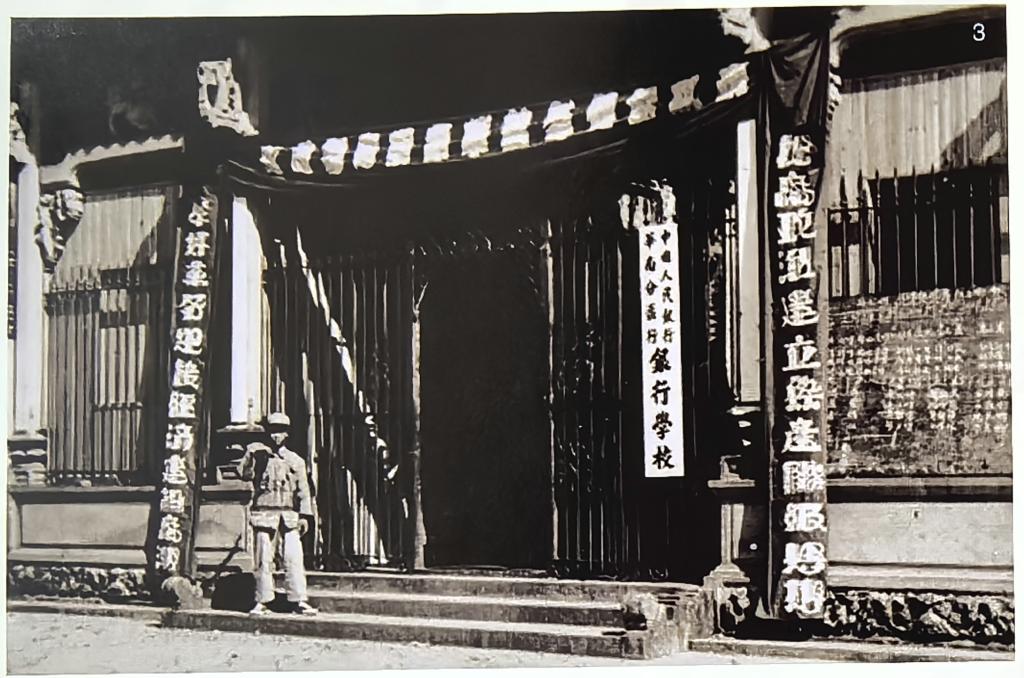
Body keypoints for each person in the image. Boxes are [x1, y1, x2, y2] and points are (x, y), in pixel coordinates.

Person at [239, 412, 317, 615]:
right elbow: (244, 474)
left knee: (293, 558)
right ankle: (262, 600)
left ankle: (298, 599)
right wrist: (249, 457)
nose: (276, 435)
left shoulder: (295, 460)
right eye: (273, 431)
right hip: (264, 515)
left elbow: (303, 491)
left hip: (288, 515)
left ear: (287, 434)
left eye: (280, 431)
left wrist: (305, 516)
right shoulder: (258, 455)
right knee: (263, 559)